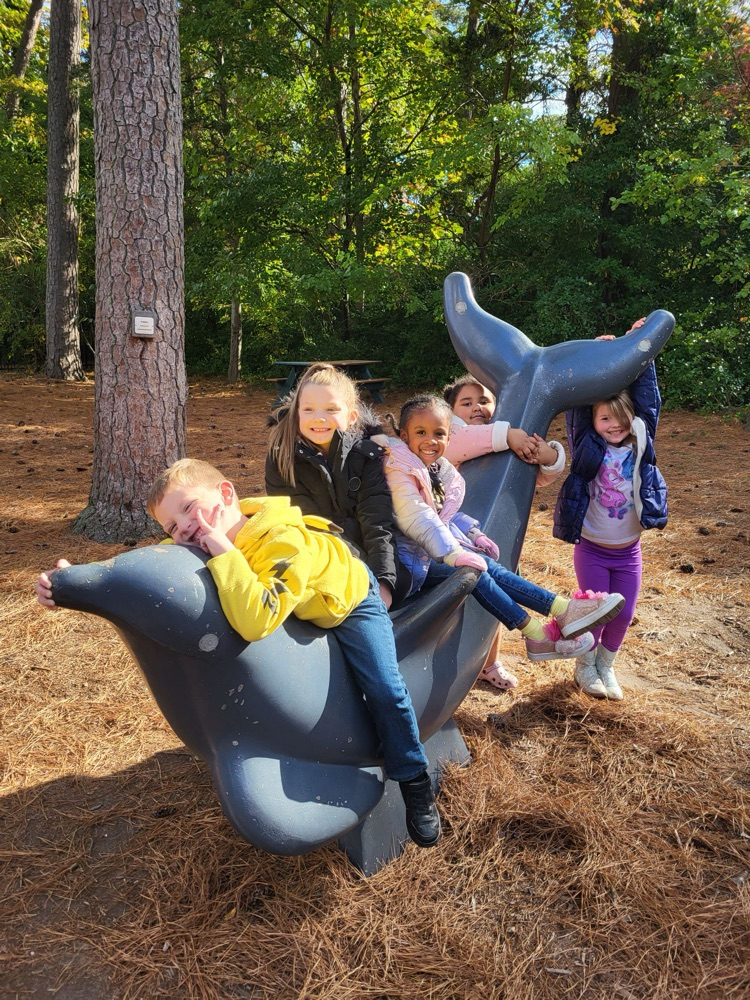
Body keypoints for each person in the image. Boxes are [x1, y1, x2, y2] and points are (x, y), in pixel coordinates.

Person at [34, 459, 441, 848]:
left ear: (226, 493)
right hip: (297, 602)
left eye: (191, 509)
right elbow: (149, 571)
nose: (185, 529)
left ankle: (413, 778)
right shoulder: (194, 539)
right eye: (172, 526)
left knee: (385, 687)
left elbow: (255, 620)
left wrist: (224, 553)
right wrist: (72, 579)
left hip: (348, 599)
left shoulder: (283, 542)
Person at [379, 394, 625, 664]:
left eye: (439, 433)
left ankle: (560, 612)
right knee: (473, 570)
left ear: (449, 437)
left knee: (487, 566)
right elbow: (417, 516)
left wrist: (474, 534)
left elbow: (444, 513)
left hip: (427, 552)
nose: (431, 440)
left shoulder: (436, 469)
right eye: (421, 432)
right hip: (406, 564)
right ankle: (539, 631)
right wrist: (453, 553)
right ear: (404, 435)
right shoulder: (398, 468)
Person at [553, 341, 668, 700]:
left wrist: (642, 350)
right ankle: (585, 666)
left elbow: (648, 401)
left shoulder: (640, 444)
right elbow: (578, 407)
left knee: (623, 613)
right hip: (592, 549)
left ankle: (606, 666)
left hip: (628, 551)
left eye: (620, 418)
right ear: (594, 421)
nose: (613, 424)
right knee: (596, 612)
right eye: (604, 418)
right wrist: (595, 359)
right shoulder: (588, 446)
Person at [441, 373, 567, 690]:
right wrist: (506, 434)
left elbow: (533, 477)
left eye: (484, 400)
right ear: (452, 410)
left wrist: (549, 456)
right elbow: (460, 440)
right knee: (459, 604)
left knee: (498, 600)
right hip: (452, 539)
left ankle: (489, 662)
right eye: (466, 402)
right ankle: (450, 665)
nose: (477, 407)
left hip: (496, 540)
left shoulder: (503, 442)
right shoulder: (450, 437)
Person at [265, 363, 409, 609]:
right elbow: (312, 528)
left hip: (373, 563)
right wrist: (363, 580)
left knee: (466, 573)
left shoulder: (366, 457)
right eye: (308, 409)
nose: (319, 418)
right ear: (297, 412)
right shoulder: (282, 460)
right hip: (320, 569)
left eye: (331, 409)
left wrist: (383, 583)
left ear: (351, 416)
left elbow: (377, 524)